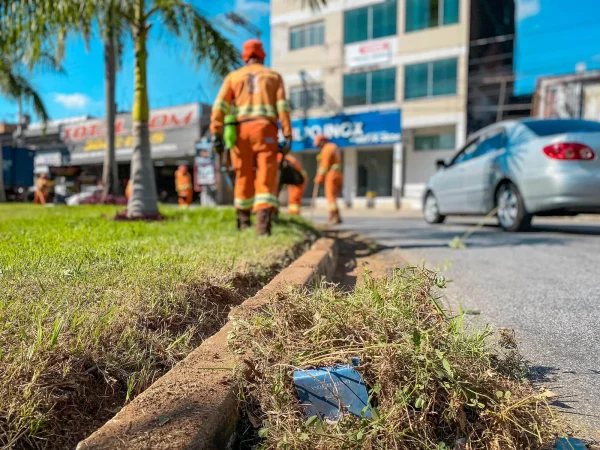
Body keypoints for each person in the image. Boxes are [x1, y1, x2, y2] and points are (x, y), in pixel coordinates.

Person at [210, 39, 292, 236]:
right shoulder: (273, 76)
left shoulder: (234, 77)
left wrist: (216, 132)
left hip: (241, 132)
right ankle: (263, 227)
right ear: (262, 55)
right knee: (266, 175)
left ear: (245, 56)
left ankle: (243, 221)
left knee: (243, 175)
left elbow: (220, 106)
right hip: (266, 131)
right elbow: (282, 107)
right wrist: (287, 134)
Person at [314, 134, 343, 224]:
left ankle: (333, 216)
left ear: (322, 141)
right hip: (338, 174)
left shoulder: (326, 149)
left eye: (319, 145)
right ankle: (337, 216)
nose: (319, 147)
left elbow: (324, 166)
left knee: (330, 196)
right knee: (333, 197)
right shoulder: (334, 147)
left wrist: (319, 178)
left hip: (331, 174)